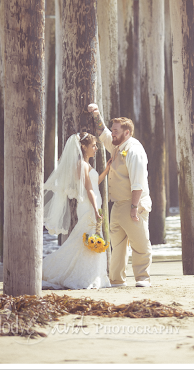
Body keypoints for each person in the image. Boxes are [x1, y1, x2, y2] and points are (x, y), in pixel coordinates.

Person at [88, 103, 152, 288]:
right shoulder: (116, 145)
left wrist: (134, 208)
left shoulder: (133, 150)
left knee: (140, 242)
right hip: (117, 204)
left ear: (127, 133)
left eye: (116, 131)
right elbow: (103, 133)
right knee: (117, 244)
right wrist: (96, 114)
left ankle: (142, 278)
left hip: (134, 203)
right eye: (113, 130)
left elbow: (138, 182)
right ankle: (117, 280)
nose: (112, 133)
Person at [42, 132, 112, 290]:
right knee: (86, 237)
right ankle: (83, 275)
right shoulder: (81, 164)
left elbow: (96, 182)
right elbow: (89, 190)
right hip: (89, 205)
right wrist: (95, 209)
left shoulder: (86, 164)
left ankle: (94, 274)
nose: (96, 148)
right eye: (93, 145)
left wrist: (106, 170)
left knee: (91, 236)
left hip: (94, 203)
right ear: (83, 147)